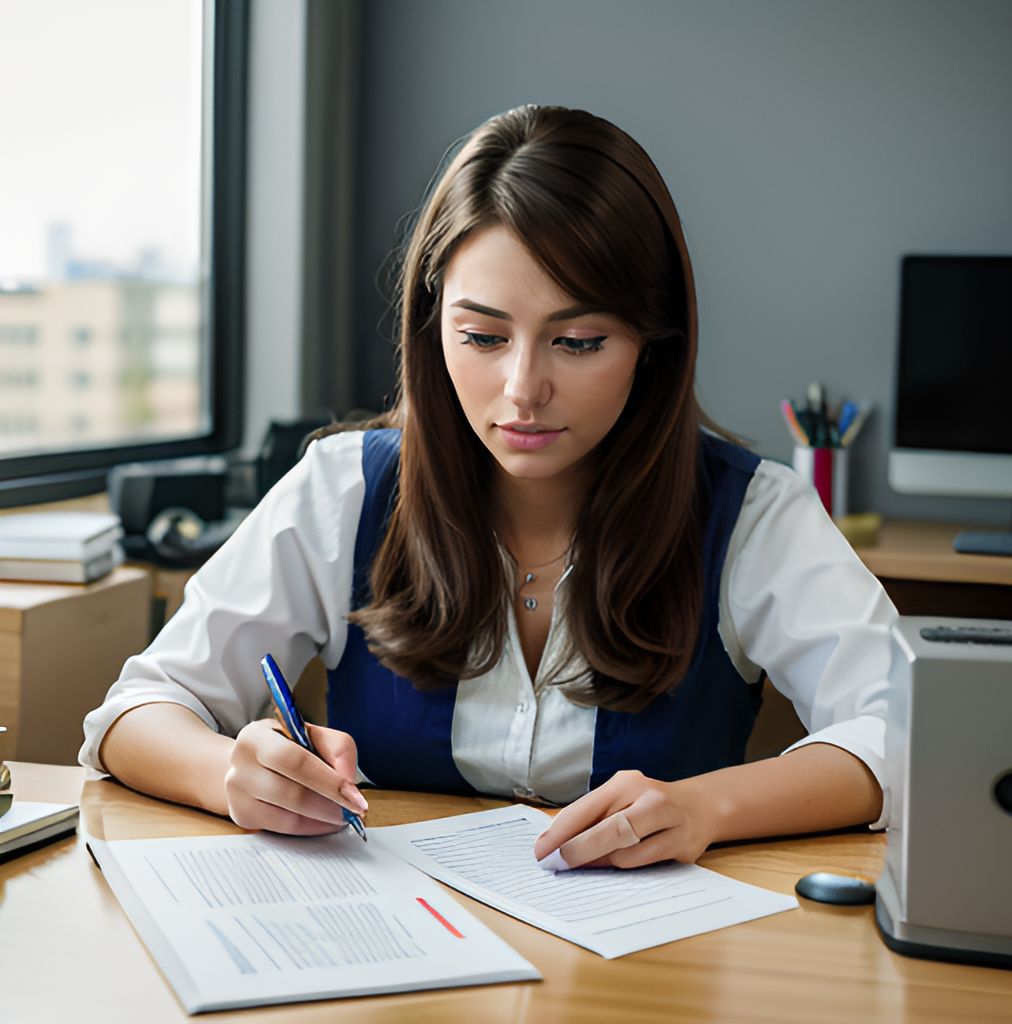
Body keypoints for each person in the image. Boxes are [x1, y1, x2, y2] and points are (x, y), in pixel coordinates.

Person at [81, 104, 894, 871]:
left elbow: (904, 731)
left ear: (653, 341)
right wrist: (231, 770)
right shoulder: (346, 488)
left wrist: (708, 807)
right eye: (482, 336)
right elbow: (138, 710)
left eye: (577, 342)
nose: (522, 389)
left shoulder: (752, 513)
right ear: (434, 326)